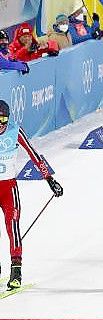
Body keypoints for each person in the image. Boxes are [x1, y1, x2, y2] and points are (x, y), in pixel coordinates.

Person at [0, 100, 64, 289]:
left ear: (8, 119)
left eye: (2, 119)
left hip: (9, 189)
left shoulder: (15, 131)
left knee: (13, 229)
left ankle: (16, 272)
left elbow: (34, 155)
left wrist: (50, 180)